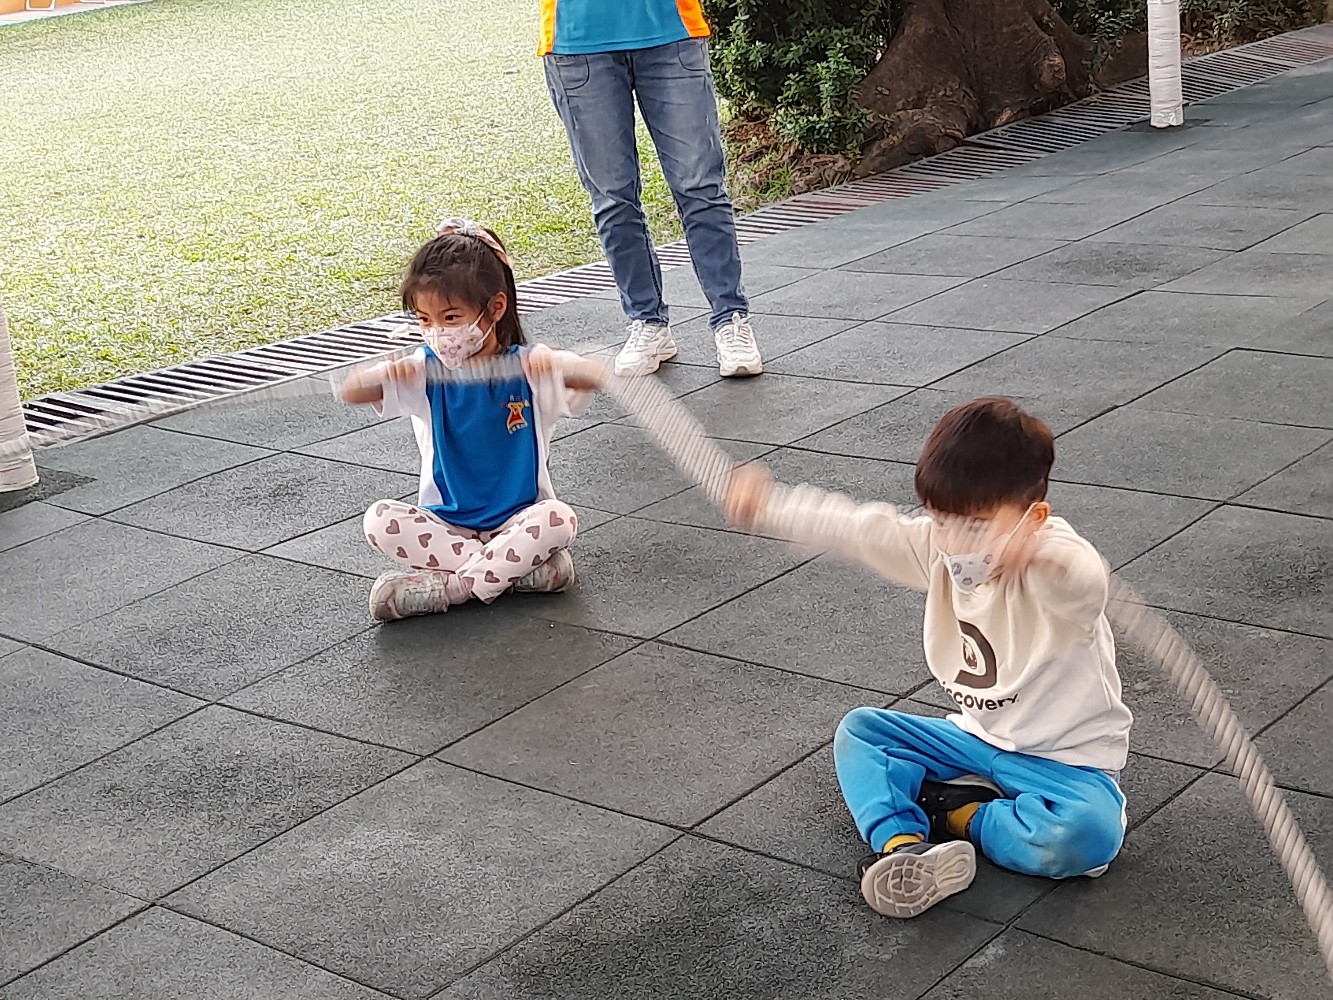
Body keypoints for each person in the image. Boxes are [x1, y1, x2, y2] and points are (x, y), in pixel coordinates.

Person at [722, 397, 1133, 918]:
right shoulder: (936, 550)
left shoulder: (1054, 571)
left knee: (1088, 834)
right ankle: (903, 847)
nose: (954, 543)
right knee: (861, 732)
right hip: (974, 741)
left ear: (1034, 519)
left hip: (1062, 765)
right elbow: (858, 527)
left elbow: (1083, 581)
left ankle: (962, 814)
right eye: (942, 520)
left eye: (976, 525)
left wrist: (1041, 558)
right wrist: (769, 506)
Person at [340, 219, 606, 622]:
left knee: (558, 519)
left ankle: (452, 588)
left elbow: (592, 376)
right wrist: (385, 374)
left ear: (495, 308)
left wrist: (556, 364)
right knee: (379, 520)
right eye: (424, 320)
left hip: (518, 521)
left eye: (450, 318)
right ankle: (514, 572)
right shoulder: (423, 371)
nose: (437, 333)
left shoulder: (528, 369)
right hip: (446, 526)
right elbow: (352, 392)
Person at [539, 0, 764, 379]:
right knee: (613, 199)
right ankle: (648, 321)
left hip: (670, 32)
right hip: (577, 41)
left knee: (700, 188)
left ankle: (731, 318)